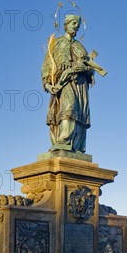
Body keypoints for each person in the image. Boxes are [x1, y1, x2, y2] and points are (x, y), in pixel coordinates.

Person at [41, 14, 94, 153]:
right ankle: (63, 141)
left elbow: (91, 67)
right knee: (68, 107)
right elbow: (47, 65)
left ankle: (77, 145)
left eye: (77, 24)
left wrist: (86, 69)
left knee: (80, 112)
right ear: (66, 25)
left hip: (81, 85)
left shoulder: (80, 47)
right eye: (73, 23)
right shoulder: (57, 43)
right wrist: (48, 85)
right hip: (64, 83)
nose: (75, 26)